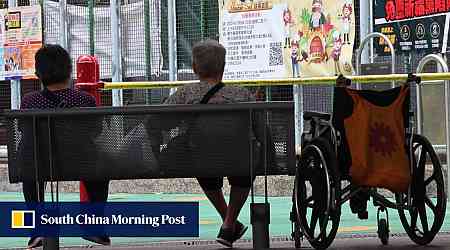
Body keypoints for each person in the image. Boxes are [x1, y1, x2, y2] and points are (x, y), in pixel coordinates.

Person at [164, 39, 255, 247]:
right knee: (246, 160)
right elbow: (261, 129)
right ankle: (229, 223)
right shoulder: (241, 94)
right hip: (238, 160)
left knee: (199, 156)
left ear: (194, 68)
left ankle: (230, 223)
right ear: (223, 67)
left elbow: (158, 122)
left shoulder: (184, 94)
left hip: (201, 160)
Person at [20, 44, 110, 248]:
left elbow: (25, 133)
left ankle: (38, 230)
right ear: (69, 71)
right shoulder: (84, 99)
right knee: (98, 170)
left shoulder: (29, 101)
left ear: (38, 73)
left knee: (30, 173)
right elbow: (96, 131)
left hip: (40, 164)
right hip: (81, 162)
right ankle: (94, 227)